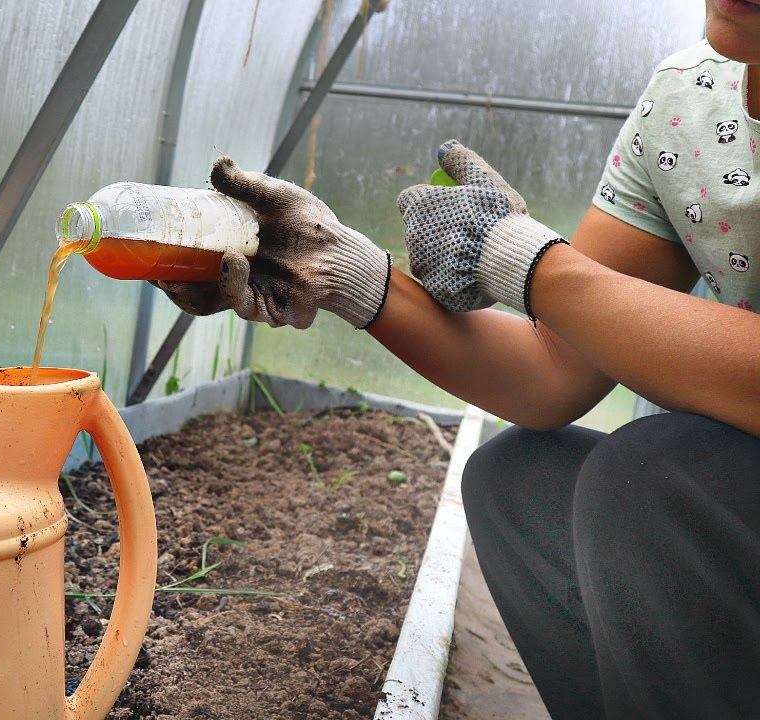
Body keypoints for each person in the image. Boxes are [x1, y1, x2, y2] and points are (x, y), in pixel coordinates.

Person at [156, 3, 760, 718]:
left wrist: (524, 262)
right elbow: (556, 369)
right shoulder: (689, 101)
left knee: (649, 478)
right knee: (518, 487)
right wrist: (346, 271)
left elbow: (554, 286)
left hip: (692, 480)